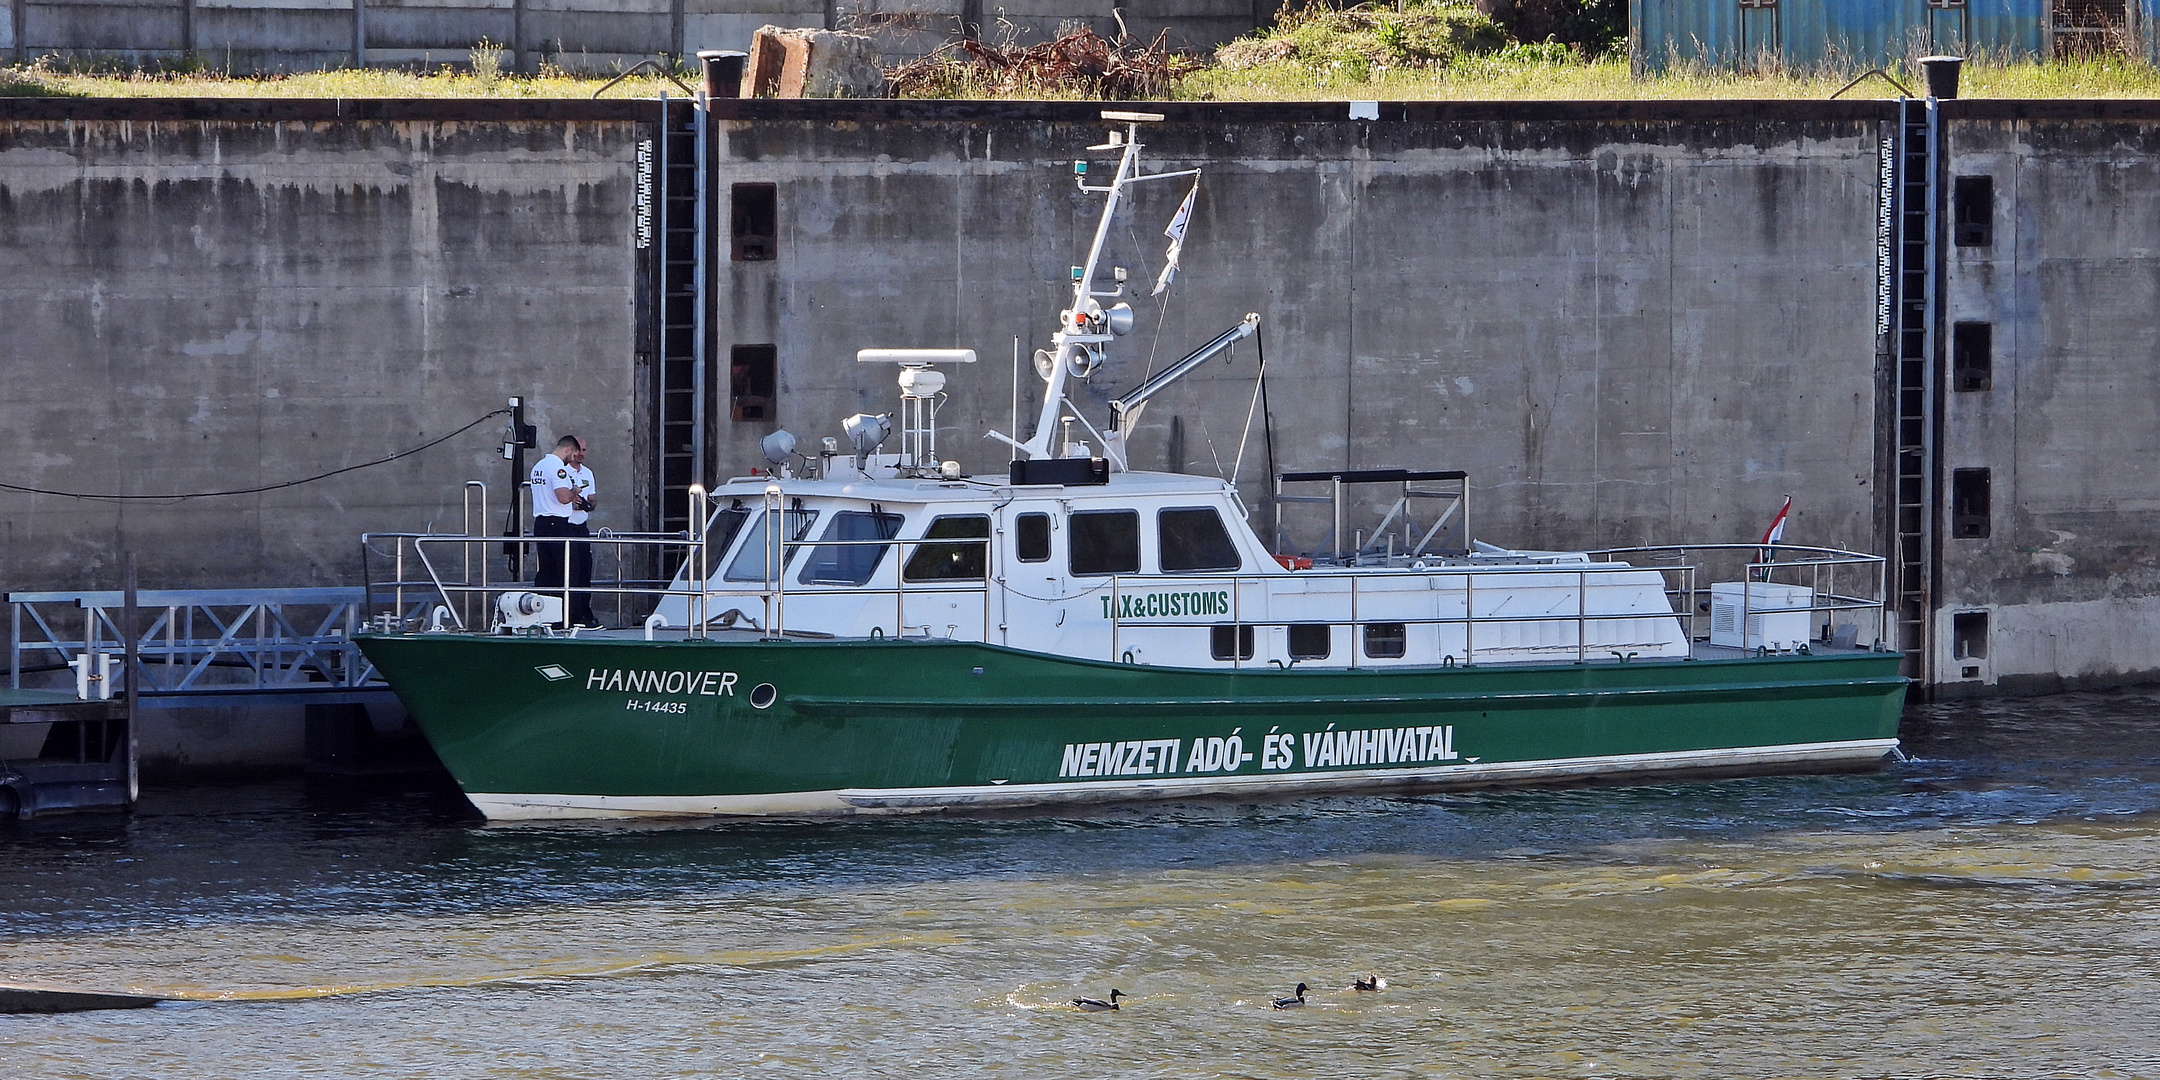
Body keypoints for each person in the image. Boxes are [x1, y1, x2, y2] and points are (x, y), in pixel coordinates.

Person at [529, 434, 598, 627]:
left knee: (547, 571)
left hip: (541, 523)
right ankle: (571, 618)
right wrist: (575, 490)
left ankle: (543, 614)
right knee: (569, 571)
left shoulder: (538, 466)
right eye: (573, 453)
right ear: (568, 449)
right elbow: (564, 497)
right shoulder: (558, 468)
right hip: (557, 523)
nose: (573, 457)